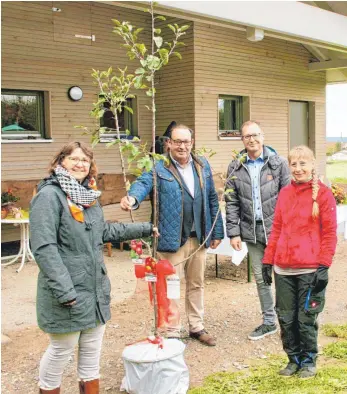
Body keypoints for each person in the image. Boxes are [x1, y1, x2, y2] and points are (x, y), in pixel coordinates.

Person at [30, 141, 156, 394]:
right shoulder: (49, 196)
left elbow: (104, 230)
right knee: (60, 351)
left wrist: (145, 228)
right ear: (60, 162)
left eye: (85, 160)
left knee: (91, 352)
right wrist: (65, 291)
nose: (79, 164)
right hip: (67, 292)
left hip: (94, 289)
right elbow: (44, 248)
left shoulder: (87, 195)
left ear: (90, 166)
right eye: (73, 159)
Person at [120, 124, 224, 346]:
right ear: (168, 143)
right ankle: (173, 329)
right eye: (177, 142)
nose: (182, 146)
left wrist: (217, 231)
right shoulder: (159, 168)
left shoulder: (202, 165)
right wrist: (132, 198)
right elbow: (143, 183)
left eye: (186, 142)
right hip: (171, 238)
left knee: (197, 283)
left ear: (192, 143)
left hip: (199, 236)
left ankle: (197, 326)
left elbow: (212, 198)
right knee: (171, 284)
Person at [262, 145, 337, 378]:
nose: (298, 168)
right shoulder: (285, 193)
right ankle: (293, 360)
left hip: (310, 268)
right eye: (293, 164)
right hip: (283, 269)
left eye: (303, 163)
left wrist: (324, 266)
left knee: (305, 318)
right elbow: (276, 229)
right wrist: (268, 260)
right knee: (286, 317)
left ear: (313, 164)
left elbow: (330, 233)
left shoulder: (323, 194)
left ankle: (308, 361)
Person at [225, 120, 291, 340]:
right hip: (251, 231)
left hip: (278, 231)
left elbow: (289, 198)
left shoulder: (279, 163)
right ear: (242, 140)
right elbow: (232, 201)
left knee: (283, 276)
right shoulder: (235, 166)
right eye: (246, 136)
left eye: (255, 135)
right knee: (261, 279)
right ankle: (269, 322)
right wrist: (233, 232)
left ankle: (288, 320)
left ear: (263, 136)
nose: (251, 140)